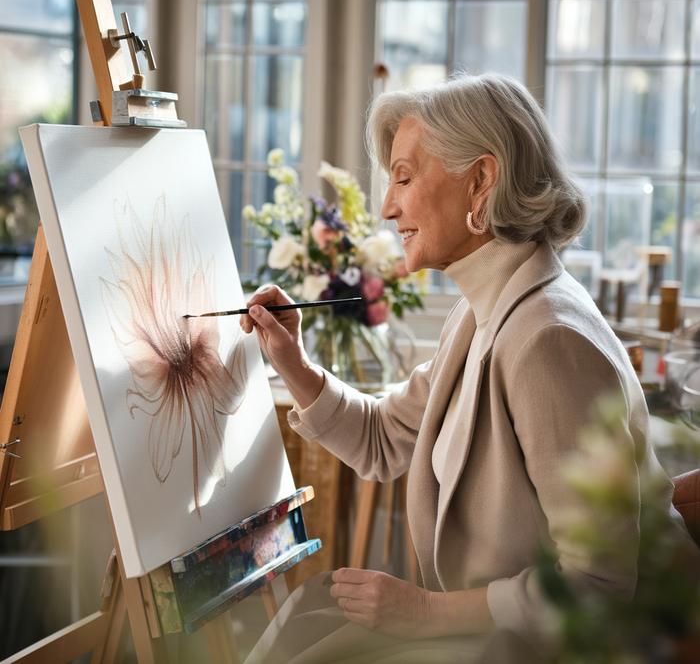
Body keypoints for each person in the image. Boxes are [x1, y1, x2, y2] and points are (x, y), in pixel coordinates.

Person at [239, 73, 695, 663]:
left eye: (404, 177)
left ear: (481, 181)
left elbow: (599, 587)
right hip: (499, 632)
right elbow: (382, 440)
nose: (386, 207)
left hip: (569, 647)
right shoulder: (481, 312)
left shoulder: (548, 341)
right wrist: (292, 363)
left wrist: (423, 612)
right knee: (310, 617)